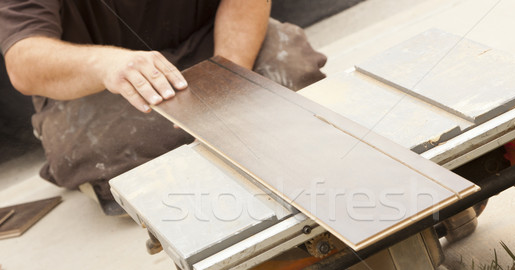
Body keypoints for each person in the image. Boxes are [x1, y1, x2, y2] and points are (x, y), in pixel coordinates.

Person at [0, 0, 327, 214]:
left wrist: (225, 79)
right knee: (108, 147)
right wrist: (106, 63)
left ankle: (222, 123)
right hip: (101, 82)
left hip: (205, 44)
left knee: (292, 65)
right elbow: (23, 60)